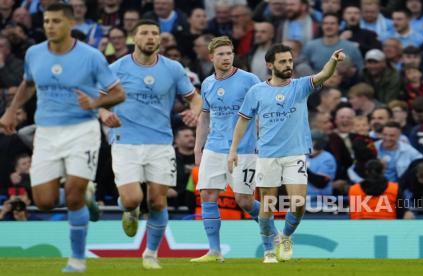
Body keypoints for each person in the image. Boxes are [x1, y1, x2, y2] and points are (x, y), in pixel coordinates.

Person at [0, 3, 126, 272]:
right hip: (46, 133)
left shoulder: (91, 56)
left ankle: (77, 260)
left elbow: (118, 93)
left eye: (56, 21)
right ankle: (88, 199)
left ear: (70, 24)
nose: (50, 26)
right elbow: (28, 83)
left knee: (72, 196)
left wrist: (93, 104)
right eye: (46, 21)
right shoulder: (34, 53)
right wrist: (11, 111)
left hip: (82, 131)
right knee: (44, 202)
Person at [228, 44, 345, 263]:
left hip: (296, 154)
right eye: (283, 61)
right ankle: (268, 251)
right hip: (267, 155)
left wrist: (333, 60)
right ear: (270, 65)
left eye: (290, 61)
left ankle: (286, 237)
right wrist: (233, 150)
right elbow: (243, 121)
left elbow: (324, 74)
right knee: (268, 205)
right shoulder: (257, 91)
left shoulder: (301, 86)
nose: (288, 65)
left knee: (299, 202)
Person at [100, 20, 201, 270]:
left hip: (161, 143)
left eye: (154, 33)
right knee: (133, 198)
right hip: (126, 141)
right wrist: (104, 114)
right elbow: (97, 100)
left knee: (157, 202)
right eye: (144, 33)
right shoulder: (117, 67)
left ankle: (151, 254)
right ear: (135, 38)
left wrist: (195, 113)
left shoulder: (173, 69)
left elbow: (195, 99)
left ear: (159, 39)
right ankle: (129, 211)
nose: (150, 37)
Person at [191, 36, 261, 263]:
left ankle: (274, 234)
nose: (226, 58)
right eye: (221, 54)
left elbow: (262, 112)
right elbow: (204, 116)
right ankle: (214, 251)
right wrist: (197, 147)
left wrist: (262, 141)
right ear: (211, 57)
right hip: (214, 146)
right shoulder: (208, 83)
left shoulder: (249, 80)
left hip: (244, 149)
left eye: (229, 53)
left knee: (244, 200)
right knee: (207, 194)